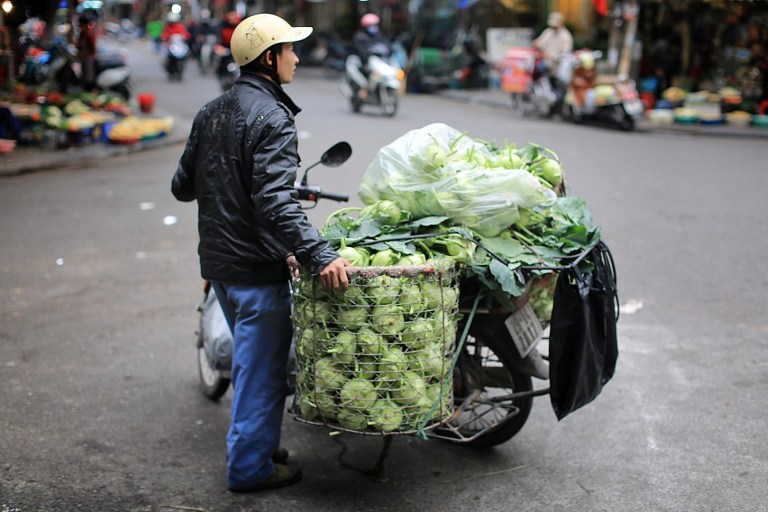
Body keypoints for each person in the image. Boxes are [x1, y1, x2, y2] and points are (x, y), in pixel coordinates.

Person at [171, 13, 350, 492]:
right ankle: (250, 469)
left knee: (257, 367)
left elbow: (181, 186)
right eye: (290, 49)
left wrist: (223, 178)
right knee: (261, 375)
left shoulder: (211, 112)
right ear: (269, 57)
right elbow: (273, 200)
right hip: (254, 271)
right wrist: (320, 254)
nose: (296, 57)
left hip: (220, 268)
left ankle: (263, 448)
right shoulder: (272, 117)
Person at [348, 13, 390, 98]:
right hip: (363, 61)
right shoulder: (360, 37)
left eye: (374, 25)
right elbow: (360, 49)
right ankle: (364, 87)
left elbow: (388, 46)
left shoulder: (380, 36)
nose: (373, 27)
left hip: (378, 61)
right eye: (371, 25)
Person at [532, 11, 573, 76]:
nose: (553, 27)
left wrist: (550, 56)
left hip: (558, 69)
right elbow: (540, 42)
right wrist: (536, 44)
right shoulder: (548, 31)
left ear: (561, 23)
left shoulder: (566, 36)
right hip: (545, 64)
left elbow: (565, 55)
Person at [76, 13, 98, 91]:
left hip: (89, 57)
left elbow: (92, 48)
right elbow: (79, 46)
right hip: (83, 58)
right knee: (83, 74)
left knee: (89, 76)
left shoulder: (89, 34)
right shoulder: (82, 34)